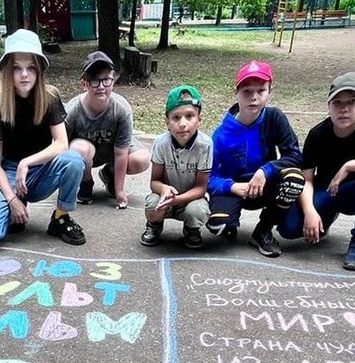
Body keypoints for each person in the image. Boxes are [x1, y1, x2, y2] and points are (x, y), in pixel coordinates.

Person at [275, 71, 355, 269]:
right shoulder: (318, 134)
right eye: (337, 103)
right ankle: (326, 217)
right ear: (328, 105)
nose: (343, 109)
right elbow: (306, 179)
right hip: (328, 191)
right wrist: (310, 212)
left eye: (352, 102)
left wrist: (350, 165)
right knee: (289, 228)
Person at [0, 29, 87, 247]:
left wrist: (27, 163)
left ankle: (61, 217)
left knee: (74, 160)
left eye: (31, 68)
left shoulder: (50, 99)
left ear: (39, 71)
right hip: (10, 173)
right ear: (8, 72)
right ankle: (13, 208)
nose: (24, 75)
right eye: (17, 68)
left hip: (42, 169)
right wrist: (12, 199)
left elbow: (61, 143)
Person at [207, 60, 303, 248]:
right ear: (236, 92)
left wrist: (265, 171)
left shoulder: (274, 117)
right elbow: (209, 178)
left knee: (294, 178)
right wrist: (232, 187)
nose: (254, 97)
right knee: (218, 226)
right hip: (236, 190)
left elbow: (294, 156)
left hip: (264, 185)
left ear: (270, 90)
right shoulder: (221, 135)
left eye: (261, 91)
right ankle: (230, 222)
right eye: (247, 91)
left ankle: (263, 230)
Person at [65, 51, 151, 208]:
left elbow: (121, 152)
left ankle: (110, 174)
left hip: (113, 150)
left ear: (113, 82)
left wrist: (120, 191)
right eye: (95, 81)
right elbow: (61, 147)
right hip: (85, 155)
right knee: (80, 149)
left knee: (142, 159)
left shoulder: (121, 109)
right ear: (84, 84)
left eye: (106, 80)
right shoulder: (72, 110)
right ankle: (86, 182)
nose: (101, 87)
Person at [142, 85, 211, 249]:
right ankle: (154, 225)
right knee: (152, 204)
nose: (182, 124)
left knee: (198, 210)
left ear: (199, 119)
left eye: (190, 116)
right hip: (165, 197)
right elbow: (154, 182)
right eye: (176, 117)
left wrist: (178, 200)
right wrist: (164, 189)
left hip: (191, 198)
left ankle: (191, 229)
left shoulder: (205, 145)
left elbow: (201, 188)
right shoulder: (161, 143)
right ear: (167, 121)